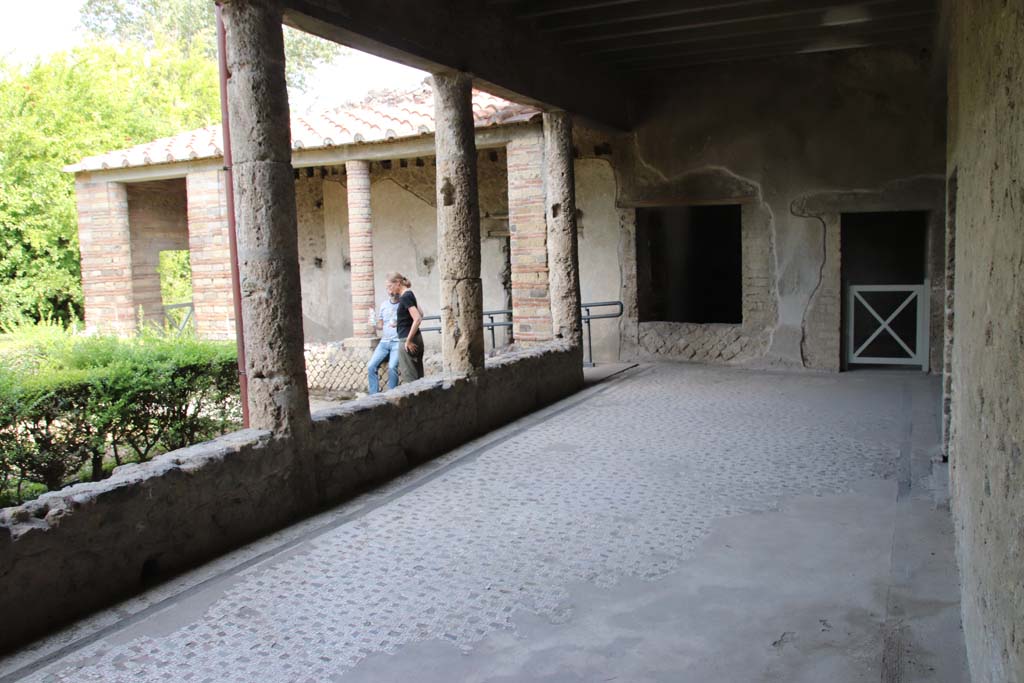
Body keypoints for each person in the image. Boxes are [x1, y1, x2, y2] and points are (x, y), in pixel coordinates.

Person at [366, 282, 401, 394]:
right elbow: (381, 325)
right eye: (387, 288)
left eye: (391, 288)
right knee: (371, 366)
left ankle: (393, 395)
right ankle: (374, 397)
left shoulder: (403, 304)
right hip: (384, 343)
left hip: (397, 342)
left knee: (392, 367)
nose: (389, 291)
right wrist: (374, 324)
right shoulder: (384, 305)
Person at [390, 272, 425, 382]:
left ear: (398, 283)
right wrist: (400, 322)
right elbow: (421, 313)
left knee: (410, 379)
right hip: (417, 337)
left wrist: (408, 340)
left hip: (407, 339)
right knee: (419, 377)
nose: (390, 290)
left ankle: (416, 399)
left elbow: (418, 318)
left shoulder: (404, 297)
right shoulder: (410, 294)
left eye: (390, 286)